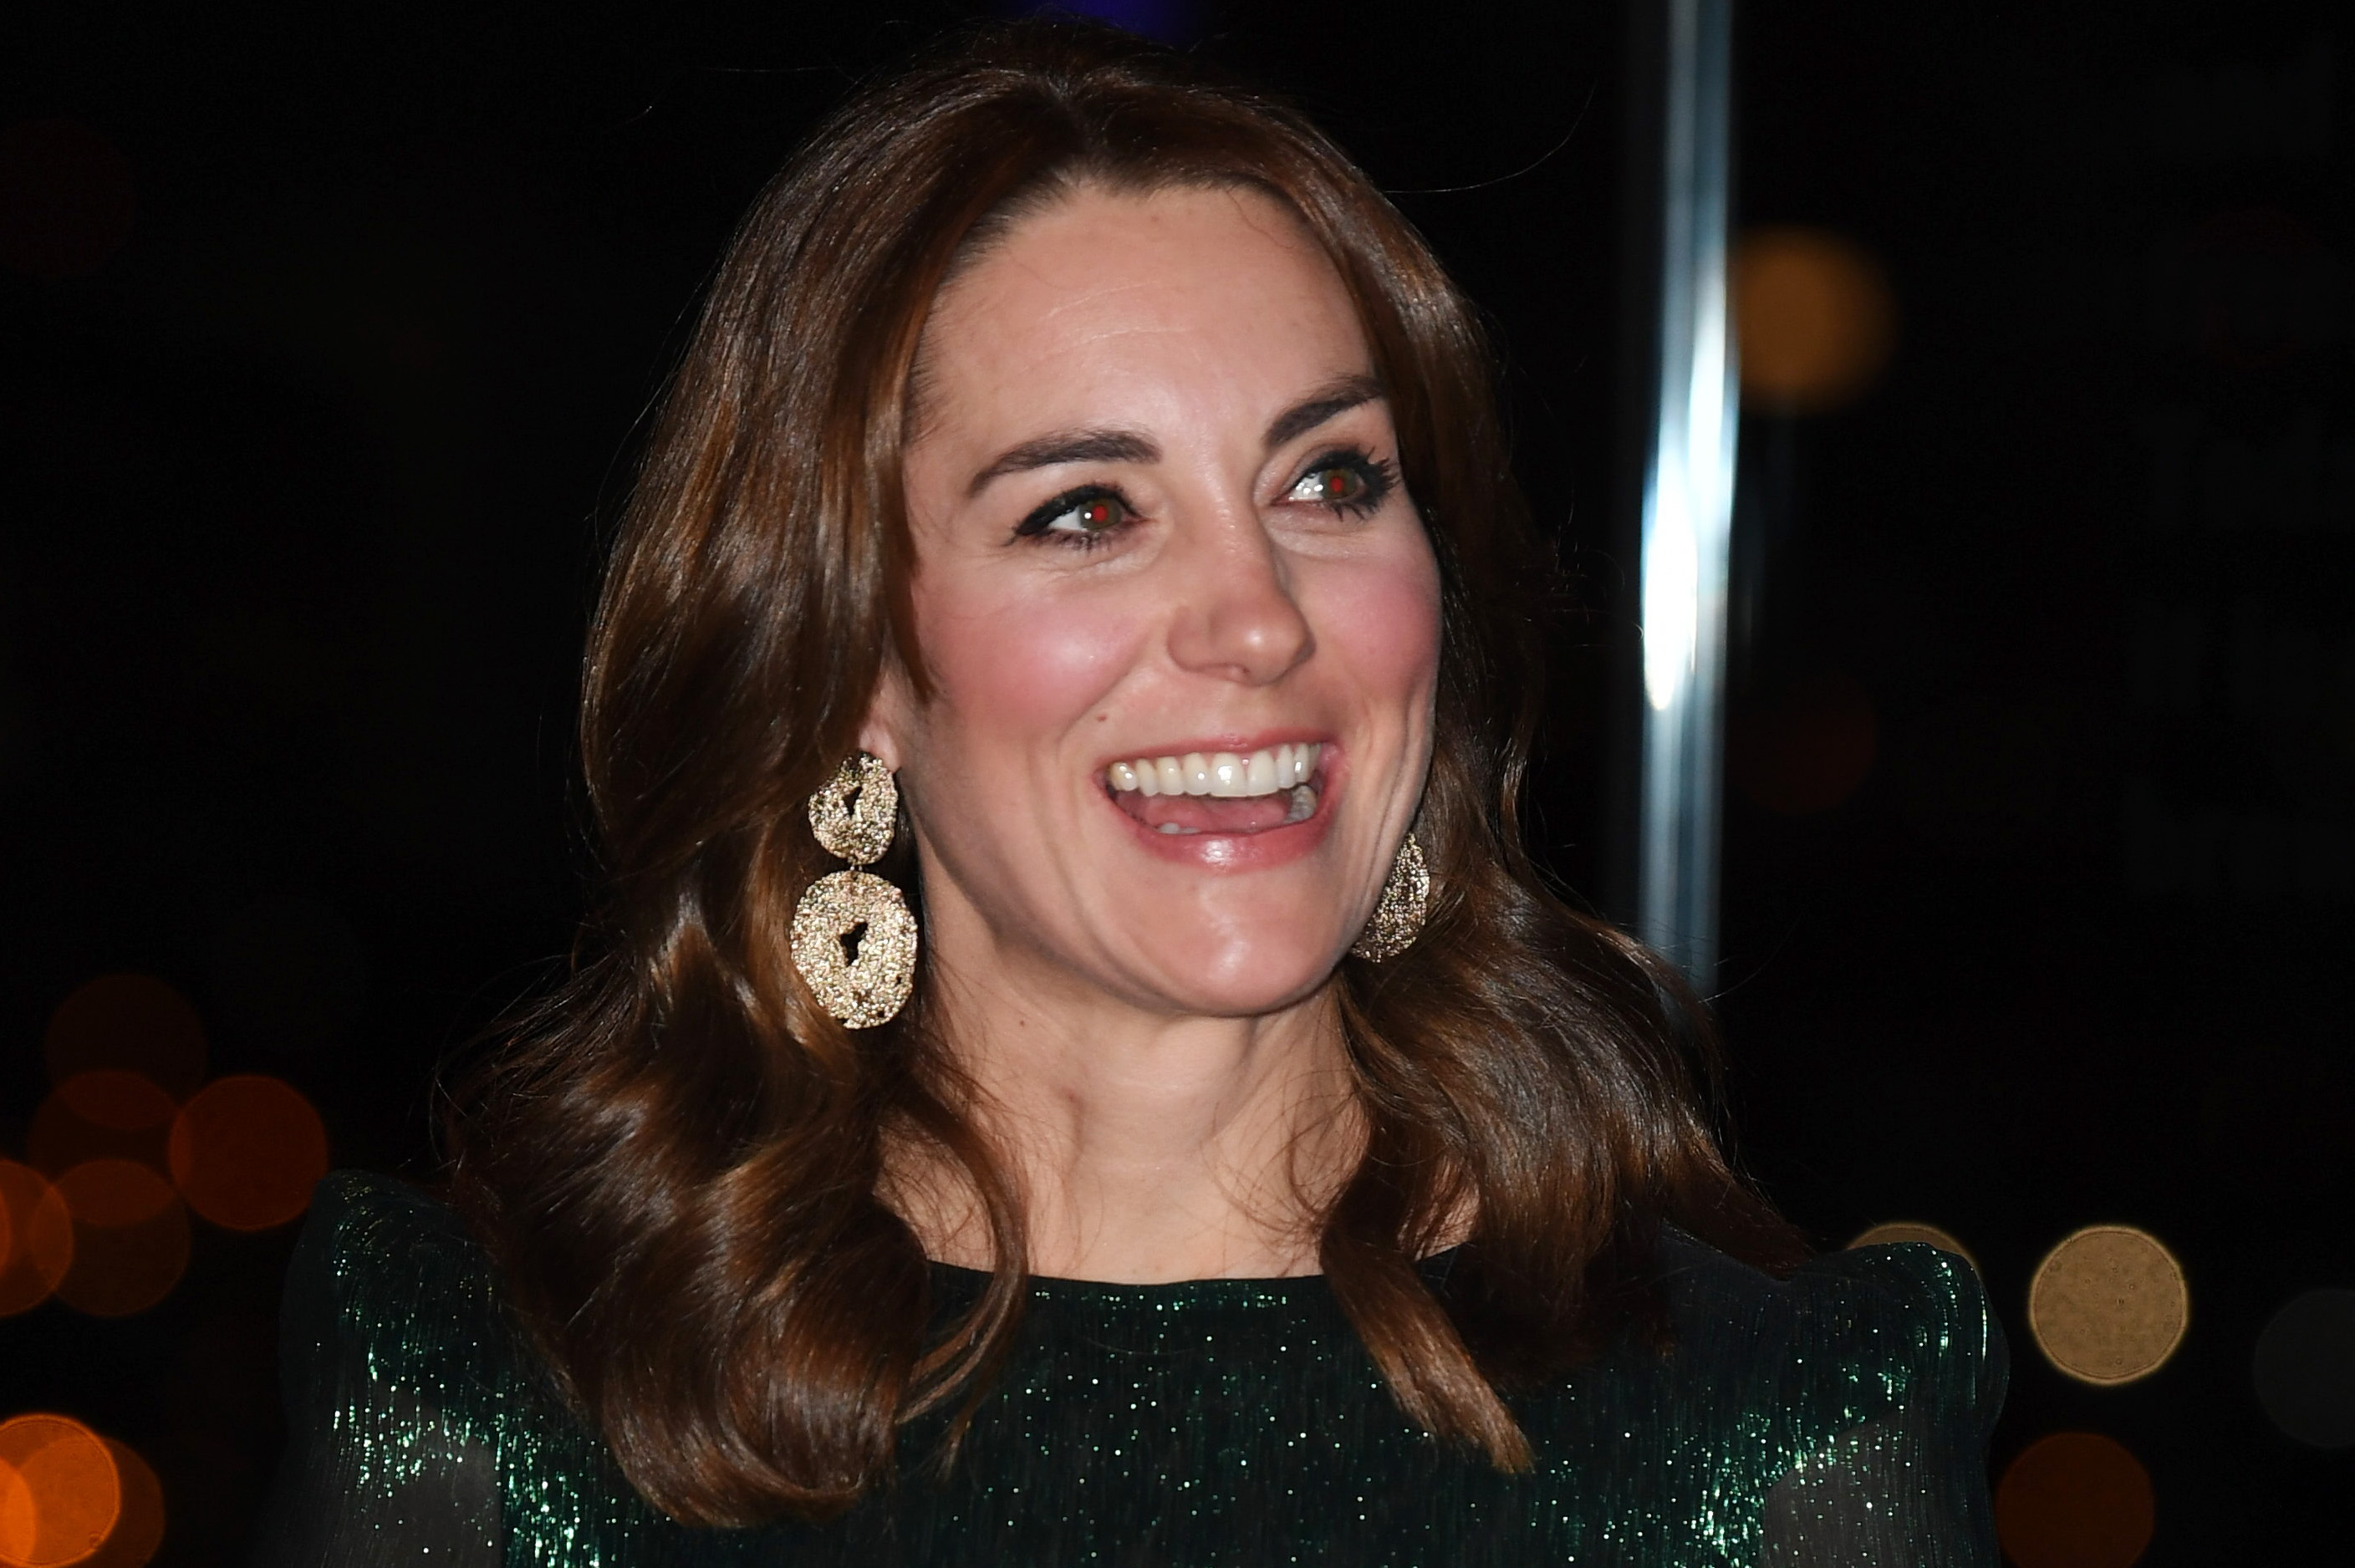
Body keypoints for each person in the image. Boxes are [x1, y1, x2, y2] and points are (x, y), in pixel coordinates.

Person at [251, 20, 2002, 1566]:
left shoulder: (1756, 1437)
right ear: (844, 657)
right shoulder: (505, 1401)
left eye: (1328, 480)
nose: (1255, 618)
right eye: (1083, 509)